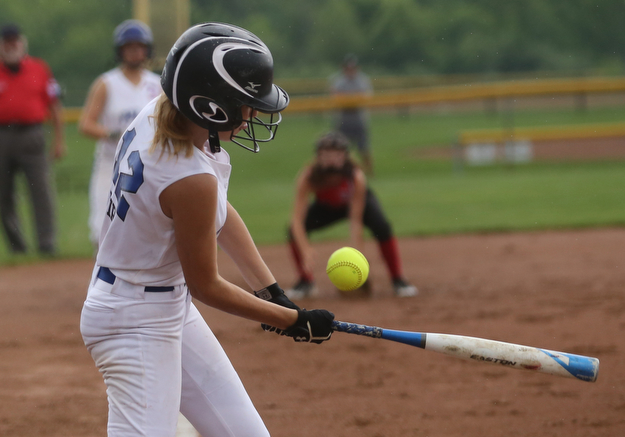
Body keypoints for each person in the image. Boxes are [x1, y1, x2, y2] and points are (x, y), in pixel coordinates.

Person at [79, 23, 335, 437]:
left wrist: (271, 291)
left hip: (164, 304)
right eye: (245, 104)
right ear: (209, 106)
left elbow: (220, 213)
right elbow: (207, 285)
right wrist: (290, 320)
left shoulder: (161, 116)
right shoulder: (188, 176)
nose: (252, 114)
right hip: (133, 321)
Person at [285, 131, 418, 299]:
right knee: (292, 231)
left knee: (382, 227)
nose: (331, 158)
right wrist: (305, 250)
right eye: (325, 153)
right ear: (318, 156)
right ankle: (305, 282)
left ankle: (398, 279)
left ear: (345, 156)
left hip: (358, 203)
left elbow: (355, 220)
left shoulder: (356, 176)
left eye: (336, 153)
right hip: (326, 207)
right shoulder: (308, 176)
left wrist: (358, 257)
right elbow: (296, 219)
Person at [79, 19, 162, 248]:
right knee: (101, 228)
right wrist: (113, 133)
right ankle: (102, 281)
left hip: (149, 164)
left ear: (147, 49)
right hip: (111, 164)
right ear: (120, 50)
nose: (135, 51)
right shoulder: (107, 83)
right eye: (129, 47)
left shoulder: (157, 85)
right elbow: (85, 124)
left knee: (149, 227)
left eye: (139, 46)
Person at [0, 23, 65, 255]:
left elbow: (54, 105)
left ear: (22, 43)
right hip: (3, 136)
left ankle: (46, 244)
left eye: (15, 41)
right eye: (7, 42)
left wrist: (59, 140)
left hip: (33, 135)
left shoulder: (39, 68)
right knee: (4, 195)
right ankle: (18, 248)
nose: (11, 46)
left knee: (41, 191)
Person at [329, 53, 374, 175]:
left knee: (363, 148)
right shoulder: (338, 81)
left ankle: (369, 173)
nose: (350, 70)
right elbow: (335, 96)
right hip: (343, 119)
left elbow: (365, 97)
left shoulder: (363, 80)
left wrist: (350, 99)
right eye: (347, 68)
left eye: (352, 67)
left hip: (358, 119)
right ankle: (344, 172)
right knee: (340, 148)